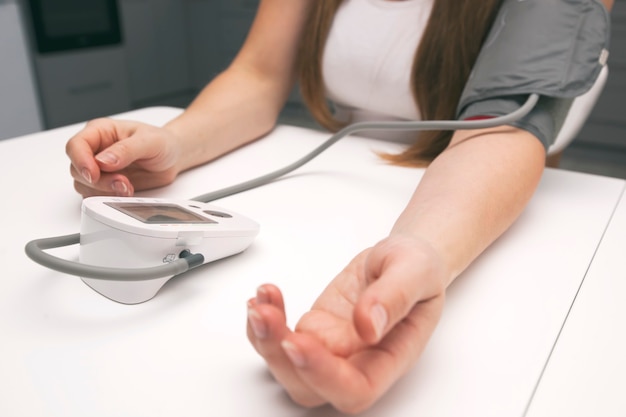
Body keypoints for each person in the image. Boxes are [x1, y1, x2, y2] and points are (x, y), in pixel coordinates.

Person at [66, 0, 613, 413]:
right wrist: (178, 143)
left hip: (493, 210)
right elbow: (259, 74)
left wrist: (419, 250)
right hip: (336, 190)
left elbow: (498, 127)